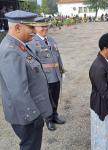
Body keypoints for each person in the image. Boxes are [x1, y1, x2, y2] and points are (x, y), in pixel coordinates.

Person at [0, 10, 52, 150]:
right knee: (30, 146)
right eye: (31, 27)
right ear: (17, 28)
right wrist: (33, 116)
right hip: (26, 115)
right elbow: (18, 91)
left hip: (29, 111)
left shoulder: (18, 45)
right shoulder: (10, 51)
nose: (35, 30)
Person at [27, 17, 65, 131]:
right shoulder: (32, 43)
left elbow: (58, 56)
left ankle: (55, 115)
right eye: (41, 26)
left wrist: (61, 70)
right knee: (46, 99)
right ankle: (48, 119)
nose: (44, 28)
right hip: (44, 77)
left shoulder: (52, 40)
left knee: (55, 96)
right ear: (35, 28)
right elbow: (31, 62)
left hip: (56, 75)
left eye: (46, 26)